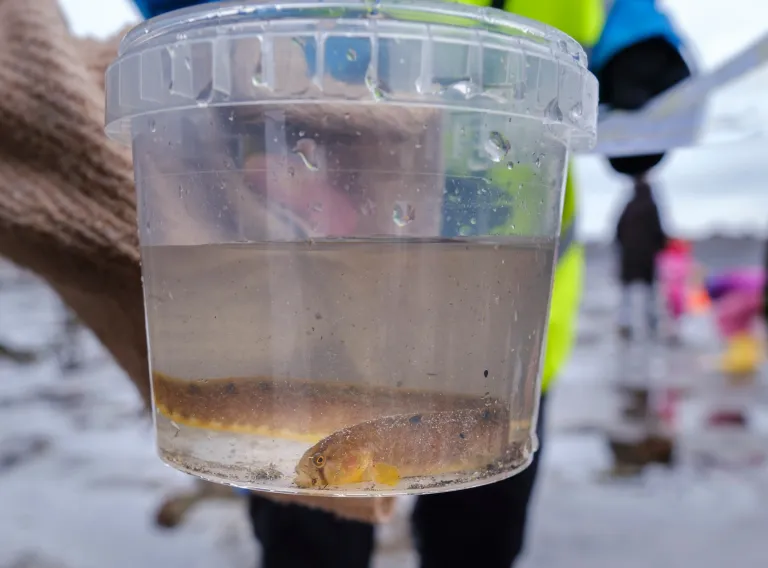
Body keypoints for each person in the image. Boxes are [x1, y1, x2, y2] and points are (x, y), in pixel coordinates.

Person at [126, 1, 691, 567]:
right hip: (302, 319)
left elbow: (622, 16)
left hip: (502, 339)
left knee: (478, 538)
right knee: (310, 540)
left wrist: (641, 50)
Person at [615, 176, 668, 339]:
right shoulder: (651, 207)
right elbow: (659, 232)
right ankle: (651, 323)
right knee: (650, 293)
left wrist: (624, 248)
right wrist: (661, 247)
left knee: (626, 294)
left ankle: (625, 324)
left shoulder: (628, 207)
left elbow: (618, 231)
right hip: (647, 259)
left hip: (629, 258)